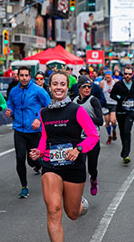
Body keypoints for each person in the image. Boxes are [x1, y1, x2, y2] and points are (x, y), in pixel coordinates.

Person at [29, 69, 99, 242]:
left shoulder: (77, 110)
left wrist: (78, 150)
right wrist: (40, 151)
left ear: (68, 87)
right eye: (55, 84)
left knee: (72, 214)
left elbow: (93, 136)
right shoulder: (44, 112)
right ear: (49, 87)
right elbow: (45, 137)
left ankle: (80, 205)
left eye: (62, 84)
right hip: (51, 165)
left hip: (74, 166)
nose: (58, 87)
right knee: (53, 209)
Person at [6, 66, 51, 198]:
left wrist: (38, 119)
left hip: (35, 131)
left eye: (26, 75)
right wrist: (10, 111)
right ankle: (24, 187)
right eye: (22, 75)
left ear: (29, 76)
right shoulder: (14, 91)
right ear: (18, 77)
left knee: (32, 160)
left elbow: (48, 105)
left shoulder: (38, 90)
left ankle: (40, 165)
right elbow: (11, 105)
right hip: (19, 130)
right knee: (20, 158)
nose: (24, 78)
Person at [74, 76, 103, 196]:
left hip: (92, 139)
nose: (87, 88)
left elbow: (100, 120)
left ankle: (94, 180)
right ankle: (78, 193)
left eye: (89, 86)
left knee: (92, 167)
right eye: (84, 86)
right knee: (79, 167)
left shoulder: (93, 100)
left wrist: (85, 118)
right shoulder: (74, 101)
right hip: (78, 139)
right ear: (79, 88)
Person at [110, 66, 134, 164]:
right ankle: (124, 149)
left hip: (130, 111)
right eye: (126, 74)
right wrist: (120, 98)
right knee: (122, 132)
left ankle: (126, 154)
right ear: (123, 74)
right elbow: (112, 94)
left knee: (127, 131)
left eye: (129, 74)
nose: (127, 76)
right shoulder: (118, 84)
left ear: (132, 75)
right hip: (120, 111)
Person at [99, 71, 118, 144]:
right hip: (105, 104)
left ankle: (114, 130)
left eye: (109, 75)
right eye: (106, 75)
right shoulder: (102, 83)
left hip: (114, 103)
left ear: (111, 76)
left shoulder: (115, 82)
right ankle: (109, 135)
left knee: (113, 120)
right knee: (107, 121)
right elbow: (99, 92)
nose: (108, 76)